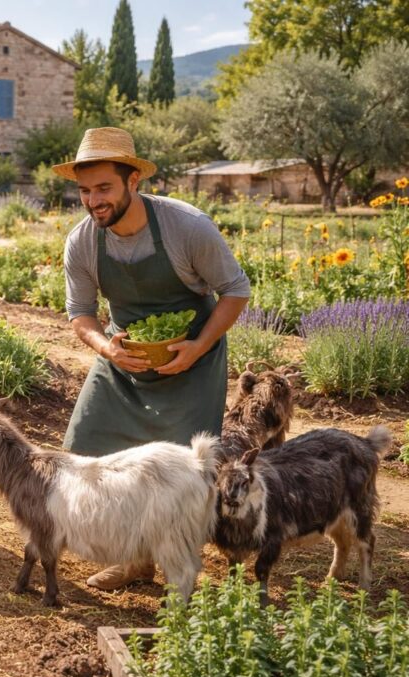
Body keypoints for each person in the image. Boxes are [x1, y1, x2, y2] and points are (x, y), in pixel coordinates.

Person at [53, 127, 250, 590]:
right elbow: (80, 314)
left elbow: (236, 290)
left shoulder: (187, 227)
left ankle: (176, 565)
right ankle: (132, 561)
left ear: (133, 181)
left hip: (192, 360)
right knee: (88, 448)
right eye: (85, 190)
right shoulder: (82, 242)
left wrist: (199, 346)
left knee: (179, 470)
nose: (93, 200)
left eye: (104, 187)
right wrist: (106, 349)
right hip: (123, 361)